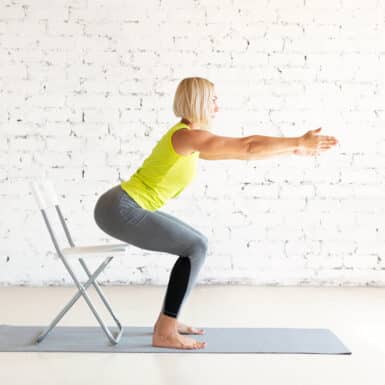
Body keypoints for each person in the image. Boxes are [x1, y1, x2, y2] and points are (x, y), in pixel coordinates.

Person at [93, 77, 339, 350]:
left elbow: (245, 154)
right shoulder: (187, 136)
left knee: (197, 244)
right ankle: (165, 330)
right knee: (195, 246)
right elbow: (247, 145)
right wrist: (298, 140)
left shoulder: (191, 140)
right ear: (197, 100)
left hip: (122, 205)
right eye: (213, 100)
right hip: (119, 208)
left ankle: (167, 322)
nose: (217, 107)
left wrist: (294, 148)